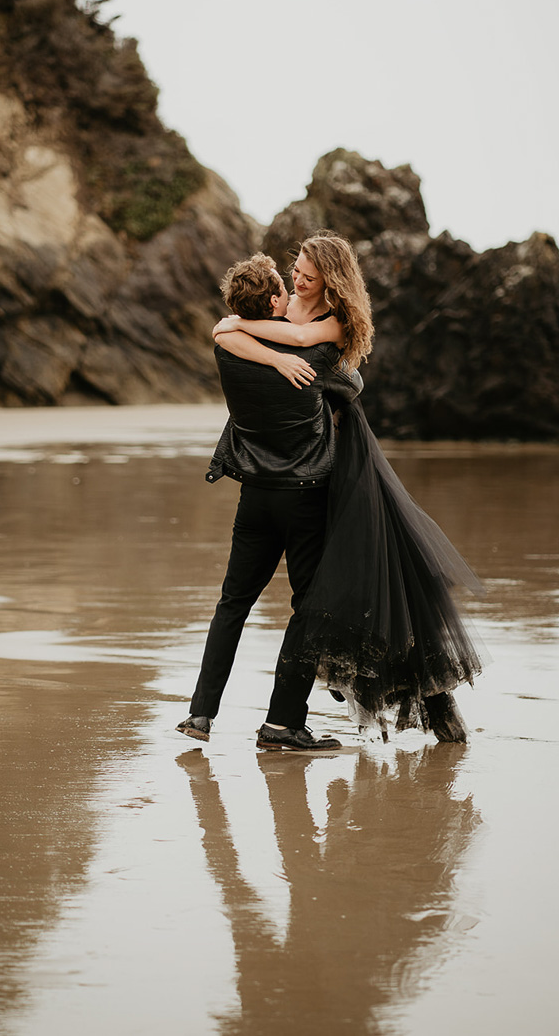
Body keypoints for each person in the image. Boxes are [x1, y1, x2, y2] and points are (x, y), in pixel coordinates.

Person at [210, 231, 485, 742]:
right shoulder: (280, 306)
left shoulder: (331, 322)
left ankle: (434, 703)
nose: (297, 281)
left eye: (308, 276)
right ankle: (305, 705)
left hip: (344, 464)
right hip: (300, 471)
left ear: (331, 281)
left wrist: (240, 328)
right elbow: (245, 339)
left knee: (375, 581)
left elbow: (297, 352)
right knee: (330, 592)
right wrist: (241, 331)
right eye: (296, 272)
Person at [176, 252, 363, 751]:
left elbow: (224, 330)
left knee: (232, 602)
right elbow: (351, 383)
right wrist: (287, 361)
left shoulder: (233, 347)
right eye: (286, 284)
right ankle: (282, 723)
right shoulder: (311, 357)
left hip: (254, 497)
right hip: (304, 497)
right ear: (276, 300)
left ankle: (200, 713)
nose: (292, 288)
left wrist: (261, 341)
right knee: (306, 606)